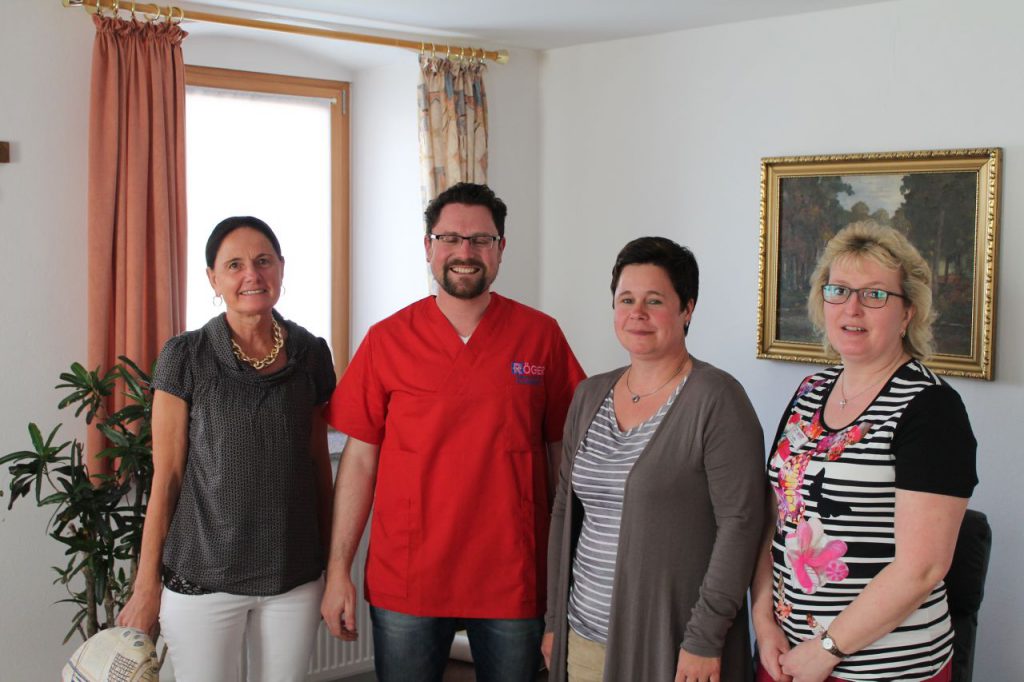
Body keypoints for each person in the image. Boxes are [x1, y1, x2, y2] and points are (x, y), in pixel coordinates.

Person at [320, 182, 586, 682]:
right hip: (410, 574)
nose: (465, 252)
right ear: (428, 247)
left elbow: (563, 459)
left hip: (513, 573)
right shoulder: (387, 340)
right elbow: (359, 462)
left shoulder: (540, 336)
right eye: (450, 238)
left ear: (501, 248)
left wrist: (568, 570)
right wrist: (338, 571)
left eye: (481, 239)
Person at [751, 221, 978, 682]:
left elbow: (923, 567)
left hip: (884, 668)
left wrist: (826, 650)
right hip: (786, 655)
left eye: (875, 295)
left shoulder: (931, 408)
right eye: (838, 290)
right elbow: (777, 515)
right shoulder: (810, 391)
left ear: (908, 311)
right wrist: (763, 619)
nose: (851, 308)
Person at [117, 216, 337, 682]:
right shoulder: (185, 355)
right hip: (203, 576)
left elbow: (319, 466)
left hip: (293, 575)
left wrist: (334, 569)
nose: (251, 275)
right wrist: (145, 587)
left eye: (263, 261)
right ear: (213, 279)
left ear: (281, 268)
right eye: (234, 265)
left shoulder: (312, 353)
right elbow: (167, 477)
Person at [543, 236, 765, 682]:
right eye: (626, 299)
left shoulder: (717, 398)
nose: (637, 313)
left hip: (673, 645)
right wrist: (553, 622)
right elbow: (564, 511)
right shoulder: (589, 395)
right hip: (583, 638)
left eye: (655, 300)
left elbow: (741, 525)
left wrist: (705, 638)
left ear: (687, 309)